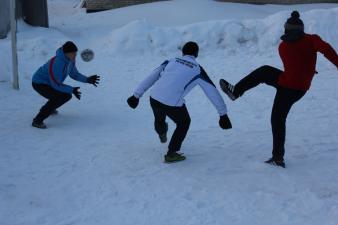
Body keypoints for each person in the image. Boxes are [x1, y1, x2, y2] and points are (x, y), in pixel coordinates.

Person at [219, 11, 338, 168]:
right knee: (265, 71)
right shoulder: (311, 40)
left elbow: (295, 62)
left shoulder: (283, 46)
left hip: (288, 87)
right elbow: (325, 49)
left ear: (286, 30)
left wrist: (306, 68)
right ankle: (235, 91)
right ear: (301, 29)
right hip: (298, 86)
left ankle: (278, 158)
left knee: (277, 118)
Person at [127, 42, 232, 163]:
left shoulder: (170, 61)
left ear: (182, 52)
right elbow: (211, 91)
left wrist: (136, 95)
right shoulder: (197, 69)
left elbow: (152, 76)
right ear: (196, 54)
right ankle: (172, 153)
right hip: (172, 104)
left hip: (154, 98)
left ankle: (161, 132)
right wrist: (223, 114)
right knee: (184, 122)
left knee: (159, 117)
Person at [32, 41, 100, 129]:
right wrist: (72, 89)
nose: (75, 55)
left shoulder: (70, 60)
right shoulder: (57, 63)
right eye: (73, 53)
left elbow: (74, 74)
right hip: (39, 83)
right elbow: (56, 84)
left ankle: (50, 108)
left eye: (76, 53)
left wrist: (87, 79)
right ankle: (37, 120)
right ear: (66, 53)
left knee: (66, 96)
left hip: (50, 83)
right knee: (59, 97)